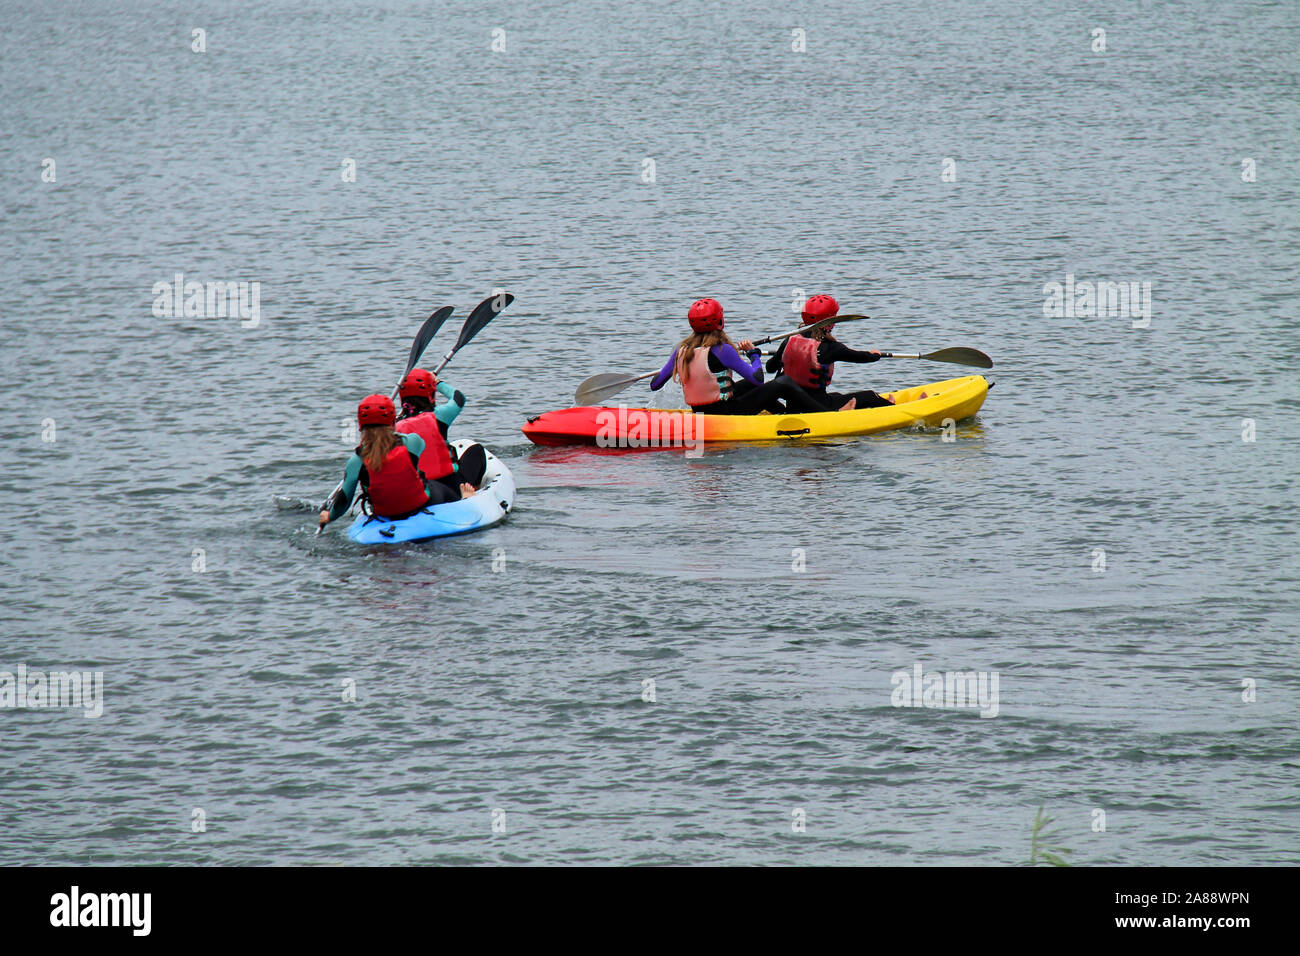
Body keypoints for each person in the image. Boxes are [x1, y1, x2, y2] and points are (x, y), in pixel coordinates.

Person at [650, 298, 852, 415]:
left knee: (753, 388)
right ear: (720, 320)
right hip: (727, 413)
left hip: (701, 412)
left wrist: (669, 368)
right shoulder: (723, 349)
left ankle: (782, 415)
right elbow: (757, 376)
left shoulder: (680, 350)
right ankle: (827, 415)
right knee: (783, 382)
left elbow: (655, 384)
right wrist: (753, 354)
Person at [317, 394, 474, 531]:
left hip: (385, 513)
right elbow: (420, 445)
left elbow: (344, 501)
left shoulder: (356, 461)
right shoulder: (412, 442)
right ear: (393, 421)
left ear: (360, 425)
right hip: (421, 504)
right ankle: (466, 500)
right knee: (442, 488)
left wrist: (329, 515)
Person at [765, 295, 903, 408]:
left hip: (793, 406)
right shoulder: (831, 347)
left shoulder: (789, 341)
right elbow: (862, 357)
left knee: (836, 395)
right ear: (830, 323)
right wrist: (875, 355)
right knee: (870, 396)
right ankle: (893, 409)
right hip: (819, 406)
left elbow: (770, 368)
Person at [395, 369, 487, 490]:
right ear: (431, 394)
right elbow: (459, 398)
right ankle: (472, 491)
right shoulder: (440, 415)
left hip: (419, 489)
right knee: (477, 450)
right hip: (452, 485)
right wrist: (437, 382)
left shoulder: (396, 425)